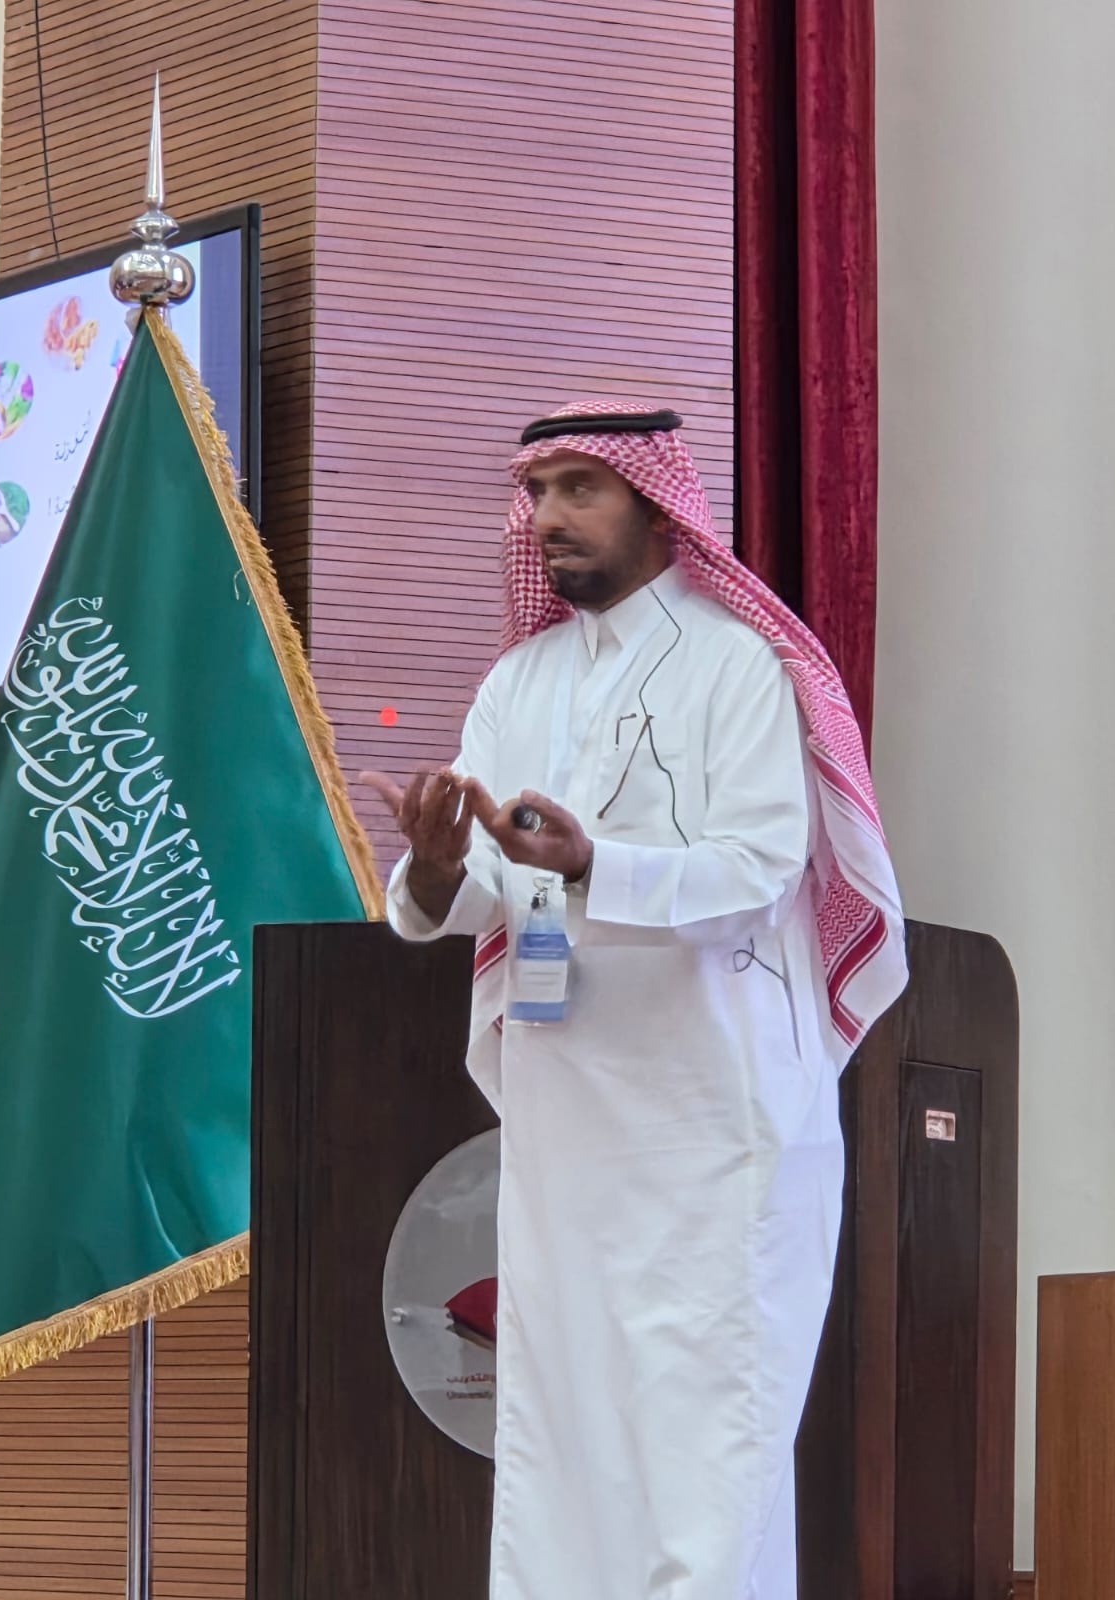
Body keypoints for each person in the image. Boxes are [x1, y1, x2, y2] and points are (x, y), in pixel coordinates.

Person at [368, 401, 906, 1600]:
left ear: (656, 504)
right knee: (563, 1442)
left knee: (707, 1448)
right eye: (537, 491)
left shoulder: (740, 664)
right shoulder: (519, 682)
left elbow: (760, 870)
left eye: (580, 488)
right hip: (567, 1130)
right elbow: (481, 889)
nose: (548, 515)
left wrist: (588, 864)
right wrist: (440, 871)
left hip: (715, 1126)